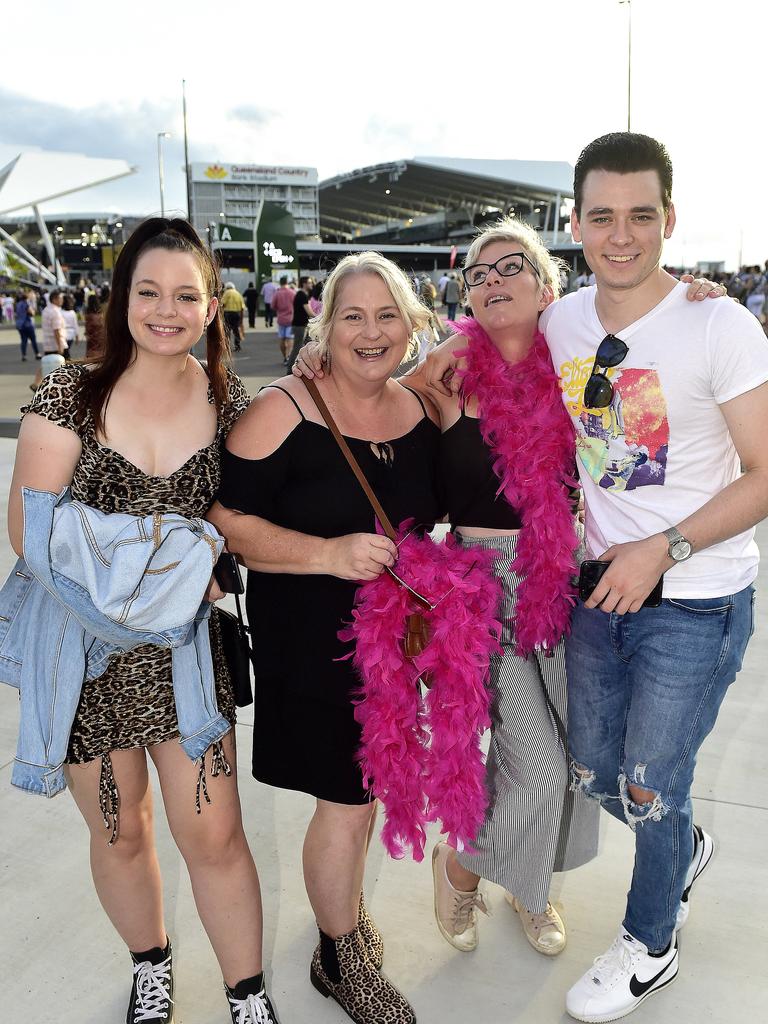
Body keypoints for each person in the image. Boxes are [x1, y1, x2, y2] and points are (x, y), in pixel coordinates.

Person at [294, 220, 600, 959]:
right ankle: (461, 868)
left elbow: (656, 352)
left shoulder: (581, 362)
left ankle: (533, 887)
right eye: (479, 275)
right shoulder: (451, 375)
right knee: (539, 761)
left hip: (565, 585)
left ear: (545, 282)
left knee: (573, 754)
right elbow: (372, 387)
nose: (493, 282)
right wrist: (322, 355)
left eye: (510, 268)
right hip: (481, 593)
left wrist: (698, 295)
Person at [8, 218, 279, 1024]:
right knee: (122, 834)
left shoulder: (235, 405)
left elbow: (258, 515)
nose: (166, 310)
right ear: (121, 297)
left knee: (217, 838)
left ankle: (248, 996)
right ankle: (150, 963)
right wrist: (174, 567)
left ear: (210, 307)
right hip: (80, 654)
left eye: (185, 295)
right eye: (148, 291)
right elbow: (32, 537)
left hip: (186, 658)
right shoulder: (67, 394)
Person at [541, 131, 768, 1023]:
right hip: (599, 595)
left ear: (670, 219)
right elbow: (468, 365)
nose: (622, 234)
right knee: (598, 771)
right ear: (577, 223)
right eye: (603, 216)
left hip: (696, 600)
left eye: (642, 215)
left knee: (646, 781)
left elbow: (764, 472)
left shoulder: (720, 323)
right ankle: (681, 841)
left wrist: (662, 549)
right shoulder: (564, 320)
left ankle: (650, 944)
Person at [208, 252, 443, 1024]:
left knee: (365, 793)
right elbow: (224, 521)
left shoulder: (418, 407)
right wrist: (327, 555)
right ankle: (341, 959)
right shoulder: (286, 407)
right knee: (346, 801)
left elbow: (503, 336)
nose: (370, 333)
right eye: (352, 316)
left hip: (393, 647)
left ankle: (339, 927)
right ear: (325, 327)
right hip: (311, 641)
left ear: (411, 325)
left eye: (386, 316)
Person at [287, 275, 314, 373]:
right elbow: (309, 312)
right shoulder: (302, 295)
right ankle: (290, 369)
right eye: (310, 282)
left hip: (301, 324)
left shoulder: (302, 294)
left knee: (307, 344)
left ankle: (304, 366)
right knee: (297, 347)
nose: (312, 284)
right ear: (304, 284)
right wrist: (321, 318)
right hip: (300, 325)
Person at [270, 276, 296, 363]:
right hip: (291, 318)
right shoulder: (292, 293)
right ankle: (289, 356)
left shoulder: (277, 293)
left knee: (282, 338)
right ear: (287, 282)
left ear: (280, 283)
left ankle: (284, 356)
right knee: (290, 338)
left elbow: (272, 306)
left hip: (281, 319)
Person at [14, 290, 40, 361]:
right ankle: (37, 353)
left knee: (23, 340)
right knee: (33, 340)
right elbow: (31, 313)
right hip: (28, 324)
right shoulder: (26, 304)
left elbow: (16, 314)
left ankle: (24, 355)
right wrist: (33, 311)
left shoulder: (18, 304)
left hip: (20, 325)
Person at [220, 281, 245, 352]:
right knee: (236, 329)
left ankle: (227, 347)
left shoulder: (226, 293)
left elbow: (223, 304)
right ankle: (237, 346)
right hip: (237, 314)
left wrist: (221, 315)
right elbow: (242, 308)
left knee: (227, 331)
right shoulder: (238, 294)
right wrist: (241, 319)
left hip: (228, 314)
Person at [83, 292, 104, 359]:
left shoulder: (89, 315)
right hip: (101, 335)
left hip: (92, 336)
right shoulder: (101, 314)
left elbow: (88, 327)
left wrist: (86, 333)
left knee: (91, 353)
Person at [60, 292, 81, 356]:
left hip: (63, 333)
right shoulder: (72, 312)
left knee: (65, 351)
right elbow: (75, 325)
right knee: (66, 350)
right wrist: (77, 336)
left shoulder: (60, 312)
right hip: (71, 334)